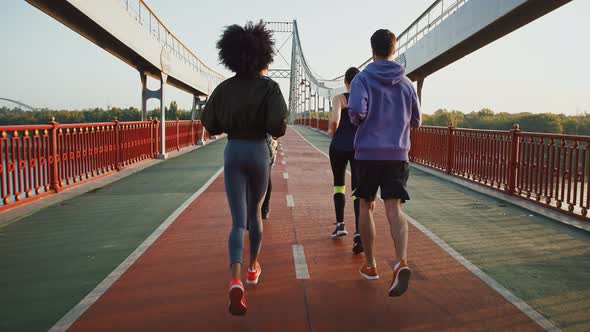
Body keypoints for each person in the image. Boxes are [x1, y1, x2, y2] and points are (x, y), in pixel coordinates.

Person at [201, 21, 289, 315]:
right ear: (263, 55)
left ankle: (235, 279)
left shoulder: (223, 89)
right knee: (256, 216)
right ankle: (253, 268)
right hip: (257, 151)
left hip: (233, 151)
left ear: (231, 55)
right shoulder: (270, 87)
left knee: (237, 222)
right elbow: (278, 125)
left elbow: (210, 124)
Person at [348, 29, 421, 297]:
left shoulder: (361, 79)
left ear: (372, 50)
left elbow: (356, 110)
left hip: (368, 153)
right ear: (394, 48)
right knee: (394, 208)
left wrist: (361, 121)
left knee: (366, 206)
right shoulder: (407, 83)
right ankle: (401, 261)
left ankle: (371, 265)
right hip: (398, 153)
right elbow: (416, 120)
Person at [327, 67, 363, 255]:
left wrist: (332, 131)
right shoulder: (365, 100)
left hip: (339, 147)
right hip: (358, 148)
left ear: (346, 82)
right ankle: (358, 231)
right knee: (358, 190)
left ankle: (340, 225)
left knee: (339, 185)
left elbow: (335, 121)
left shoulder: (339, 98)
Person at [261, 134, 278, 219]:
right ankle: (264, 209)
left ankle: (264, 209)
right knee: (267, 181)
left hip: (239, 144)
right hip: (265, 148)